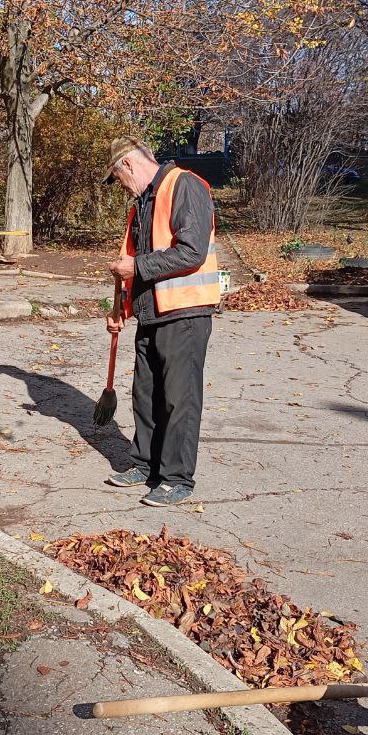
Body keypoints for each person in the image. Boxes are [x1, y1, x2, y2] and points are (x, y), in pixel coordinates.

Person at [102, 136, 219, 508]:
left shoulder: (184, 185)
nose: (121, 187)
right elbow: (130, 258)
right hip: (152, 311)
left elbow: (192, 251)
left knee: (179, 398)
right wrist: (121, 306)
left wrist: (135, 268)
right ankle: (145, 463)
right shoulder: (142, 203)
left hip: (184, 313)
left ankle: (176, 478)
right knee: (146, 393)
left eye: (118, 178)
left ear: (129, 166)